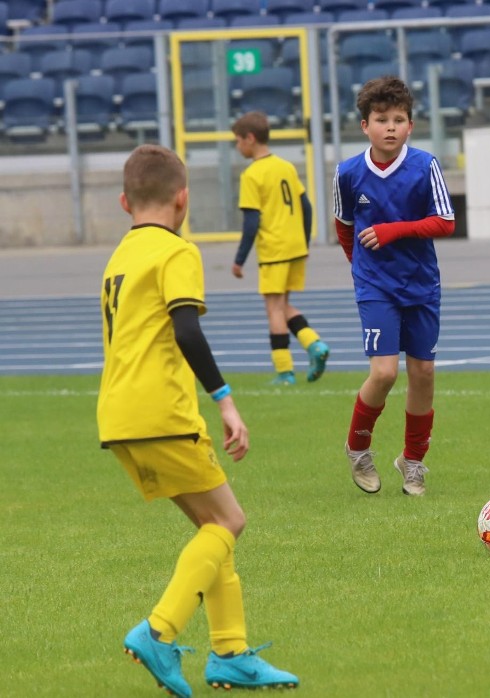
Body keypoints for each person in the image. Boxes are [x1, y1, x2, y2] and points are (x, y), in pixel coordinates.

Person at [97, 144, 300, 698]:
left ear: (124, 202)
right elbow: (185, 329)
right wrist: (226, 401)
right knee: (229, 523)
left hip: (117, 415)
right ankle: (158, 630)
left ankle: (231, 653)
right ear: (183, 199)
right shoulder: (176, 250)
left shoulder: (120, 254)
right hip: (162, 411)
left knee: (215, 528)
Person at [332, 76, 455, 496]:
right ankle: (358, 448)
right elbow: (344, 226)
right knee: (383, 372)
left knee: (422, 372)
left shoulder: (425, 166)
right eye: (381, 119)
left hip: (421, 284)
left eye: (398, 119)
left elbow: (446, 221)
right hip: (375, 287)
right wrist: (361, 268)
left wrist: (392, 231)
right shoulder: (348, 173)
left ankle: (413, 461)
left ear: (410, 126)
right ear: (365, 125)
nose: (390, 127)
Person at [231, 110, 329, 386]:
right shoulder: (285, 166)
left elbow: (252, 221)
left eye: (238, 141)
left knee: (273, 308)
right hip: (295, 244)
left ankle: (285, 371)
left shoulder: (252, 174)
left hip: (273, 248)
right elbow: (305, 206)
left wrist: (239, 259)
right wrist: (305, 242)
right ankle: (314, 344)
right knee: (282, 304)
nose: (238, 146)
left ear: (250, 139)